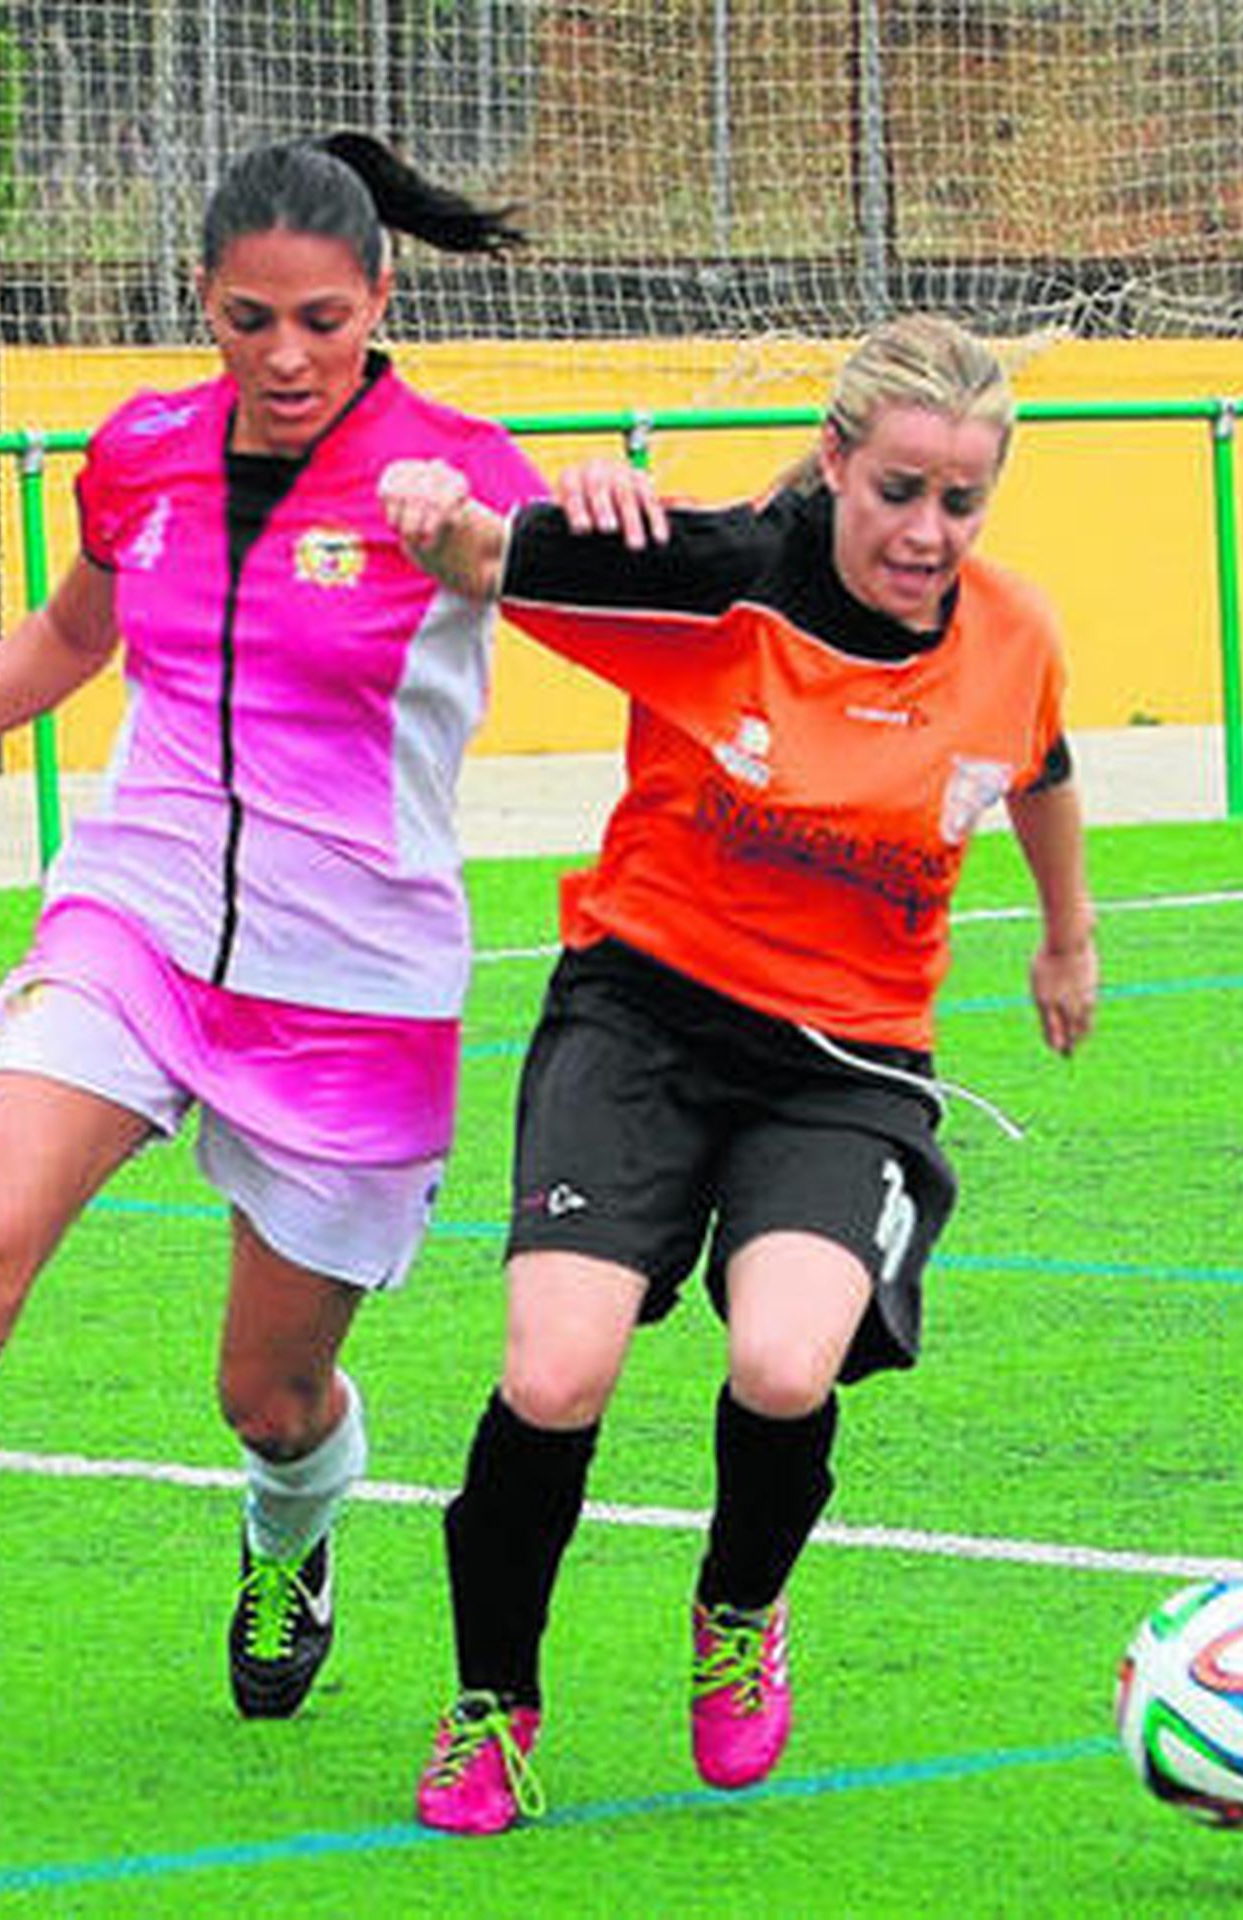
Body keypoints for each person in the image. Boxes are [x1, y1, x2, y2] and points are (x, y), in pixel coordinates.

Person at [0, 131, 545, 1818]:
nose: (289, 356)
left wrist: (469, 538)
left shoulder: (458, 468)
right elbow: (81, 629)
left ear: (382, 298)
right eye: (250, 319)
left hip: (354, 985)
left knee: (272, 1389)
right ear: (205, 307)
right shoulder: (143, 451)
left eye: (323, 318)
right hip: (136, 916)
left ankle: (289, 1539)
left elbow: (527, 577)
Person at [379, 312, 1100, 1834]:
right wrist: (444, 513)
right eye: (898, 489)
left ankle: (736, 1612)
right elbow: (485, 560)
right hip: (641, 1016)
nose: (927, 531)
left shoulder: (1014, 634)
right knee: (555, 1371)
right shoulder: (709, 580)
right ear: (836, 461)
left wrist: (1066, 938)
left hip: (848, 1062)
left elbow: (1038, 768)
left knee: (785, 1362)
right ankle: (493, 1707)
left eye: (960, 502)